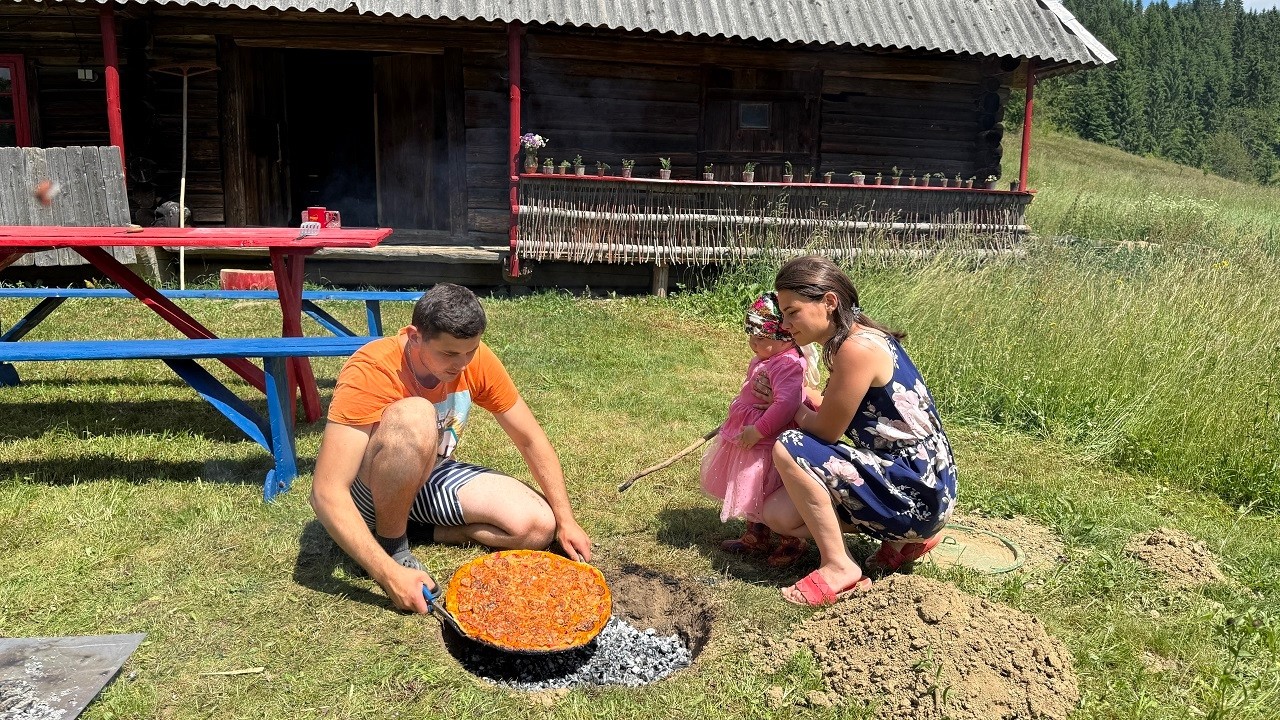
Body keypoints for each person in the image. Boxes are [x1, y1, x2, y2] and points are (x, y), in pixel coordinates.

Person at [309, 283, 593, 614]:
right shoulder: (373, 367)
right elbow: (326, 492)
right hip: (369, 490)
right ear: (415, 337)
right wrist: (389, 576)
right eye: (449, 353)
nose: (462, 364)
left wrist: (566, 518)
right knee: (416, 415)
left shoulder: (475, 359)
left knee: (537, 526)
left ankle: (416, 528)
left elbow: (530, 439)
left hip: (430, 473)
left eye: (470, 351)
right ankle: (391, 546)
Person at [754, 255, 956, 606]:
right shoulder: (863, 338)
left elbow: (826, 431)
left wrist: (787, 406)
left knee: (790, 445)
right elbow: (835, 407)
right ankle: (903, 541)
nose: (785, 325)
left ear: (829, 302)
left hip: (916, 488)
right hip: (926, 483)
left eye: (792, 311)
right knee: (779, 515)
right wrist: (797, 398)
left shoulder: (855, 349)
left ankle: (839, 566)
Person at [699, 292, 818, 566]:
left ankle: (790, 541)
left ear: (784, 337)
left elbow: (786, 405)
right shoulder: (769, 357)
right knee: (749, 485)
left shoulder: (787, 363)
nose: (753, 342)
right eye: (750, 336)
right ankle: (756, 535)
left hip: (766, 440)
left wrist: (759, 430)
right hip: (751, 436)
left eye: (761, 338)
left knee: (765, 486)